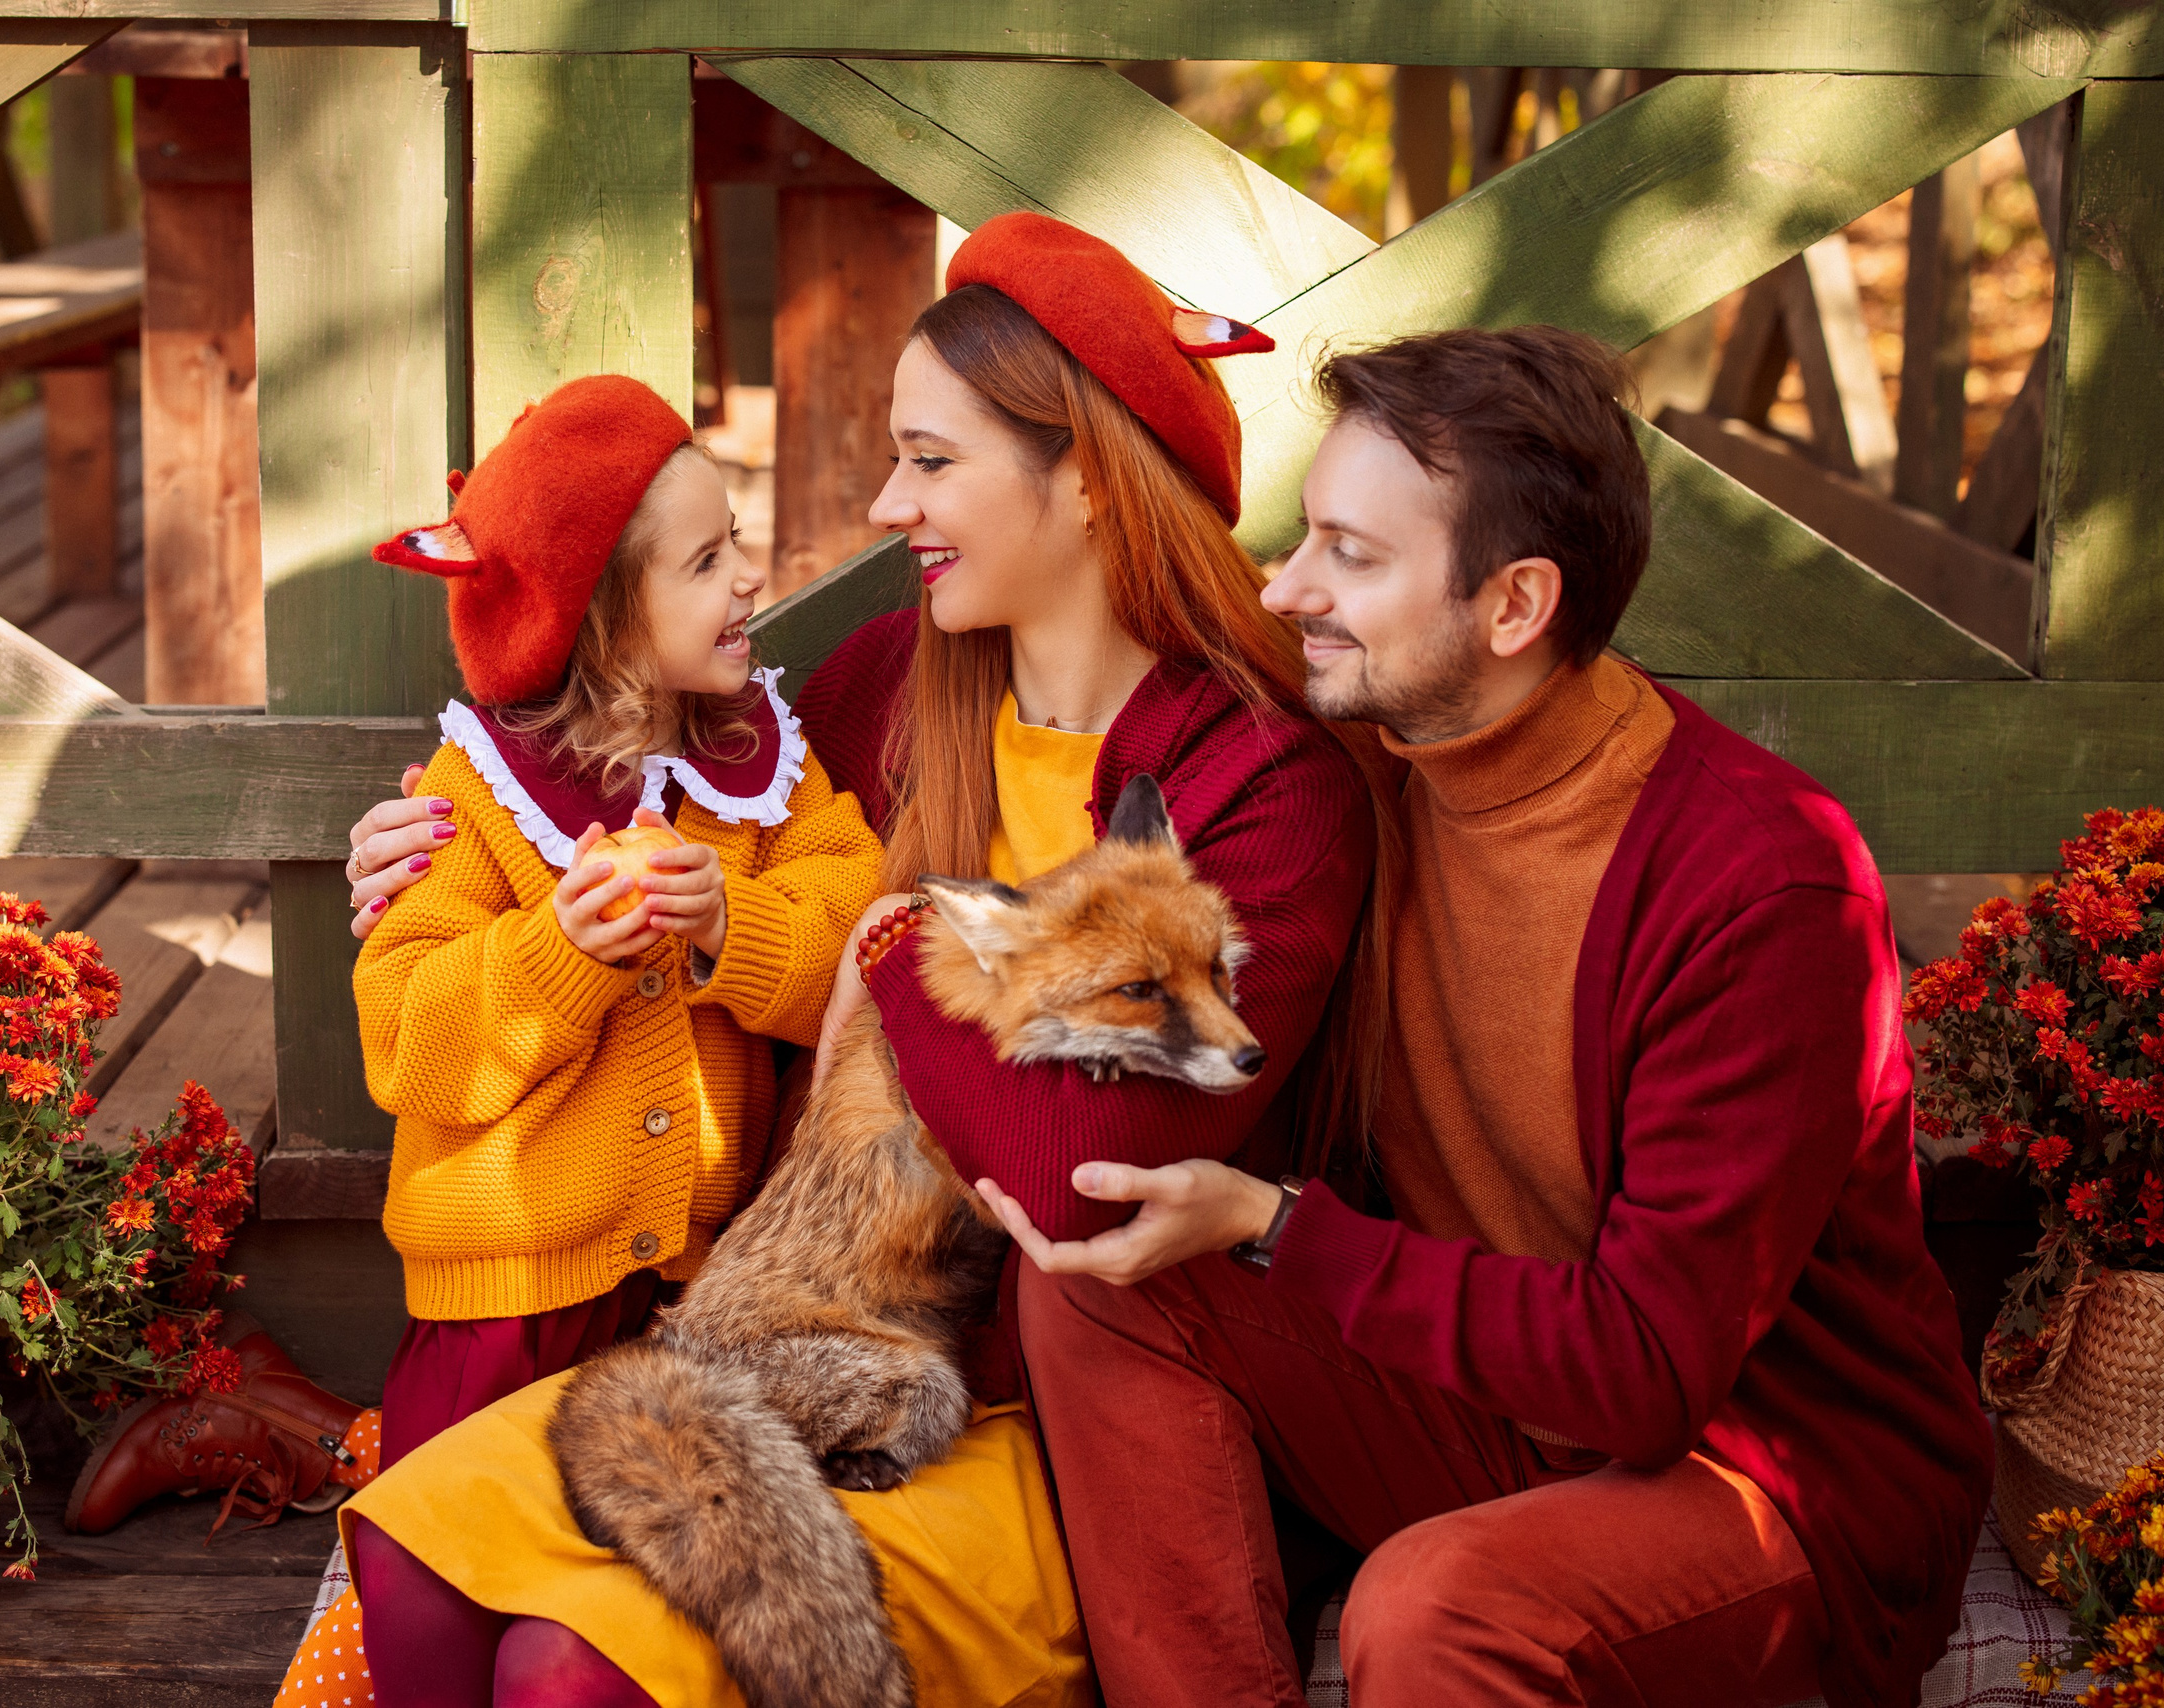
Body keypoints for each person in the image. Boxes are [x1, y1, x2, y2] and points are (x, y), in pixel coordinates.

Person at [330, 212, 1381, 1707]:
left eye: (932, 460)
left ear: (1084, 470)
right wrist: (426, 868)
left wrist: (894, 953)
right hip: (779, 1338)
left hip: (1026, 1390)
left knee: (571, 1672)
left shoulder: (1261, 785)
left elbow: (1099, 1161)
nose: (888, 503)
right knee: (422, 1569)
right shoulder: (886, 691)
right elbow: (634, 785)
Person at [967, 326, 1995, 1708]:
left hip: (1755, 1463)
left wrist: (1279, 1231)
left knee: (1436, 1612)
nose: (1287, 589)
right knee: (1095, 1278)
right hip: (1489, 1397)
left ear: (1513, 608)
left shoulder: (1759, 885)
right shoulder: (1365, 764)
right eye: (1303, 536)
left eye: (1353, 555)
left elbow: (1647, 1371)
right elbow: (1132, 694)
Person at [282, 373, 887, 1707]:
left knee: (599, 1618)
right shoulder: (476, 800)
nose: (750, 580)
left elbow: (861, 923)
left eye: (739, 544)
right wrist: (566, 953)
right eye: (708, 560)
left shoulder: (760, 762)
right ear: (605, 619)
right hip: (501, 1313)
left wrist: (740, 927)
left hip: (691, 1308)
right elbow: (414, 1043)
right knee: (431, 1596)